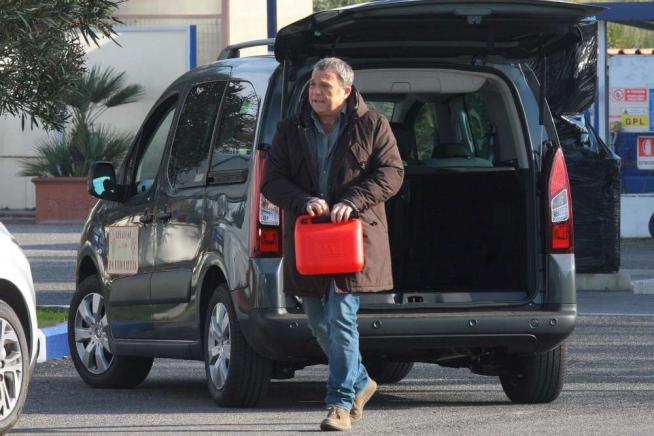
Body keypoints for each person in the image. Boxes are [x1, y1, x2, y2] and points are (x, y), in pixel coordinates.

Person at [261, 57, 404, 431]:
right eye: (312, 85)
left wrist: (353, 200)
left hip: (352, 239)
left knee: (341, 318)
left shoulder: (373, 124)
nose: (315, 92)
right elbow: (272, 181)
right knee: (317, 321)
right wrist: (303, 200)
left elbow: (392, 173)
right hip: (309, 242)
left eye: (324, 86)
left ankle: (339, 404)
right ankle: (361, 381)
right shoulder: (290, 128)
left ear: (346, 90)